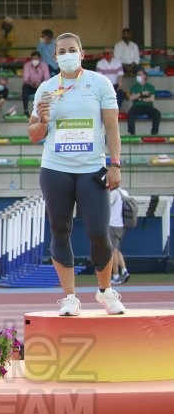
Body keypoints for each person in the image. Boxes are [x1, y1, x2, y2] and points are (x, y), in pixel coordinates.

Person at [28, 32, 125, 317]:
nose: (67, 54)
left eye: (72, 49)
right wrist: (43, 121)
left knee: (98, 232)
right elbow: (33, 134)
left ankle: (106, 291)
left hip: (91, 170)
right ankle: (69, 297)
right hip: (55, 169)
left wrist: (115, 163)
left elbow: (112, 128)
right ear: (54, 56)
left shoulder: (99, 83)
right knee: (60, 230)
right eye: (61, 51)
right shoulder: (45, 88)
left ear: (82, 53)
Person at [127, 70, 161, 136]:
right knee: (130, 113)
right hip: (136, 107)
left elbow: (151, 99)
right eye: (137, 75)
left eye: (140, 75)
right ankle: (132, 133)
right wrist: (141, 93)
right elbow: (131, 98)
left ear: (145, 76)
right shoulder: (134, 87)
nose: (138, 76)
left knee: (157, 114)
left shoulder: (150, 87)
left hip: (148, 107)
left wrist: (140, 99)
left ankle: (154, 133)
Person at [108, 187, 131, 286]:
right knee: (116, 250)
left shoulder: (113, 193)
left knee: (112, 251)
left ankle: (116, 276)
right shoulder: (124, 192)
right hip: (122, 226)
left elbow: (105, 205)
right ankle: (124, 271)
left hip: (113, 225)